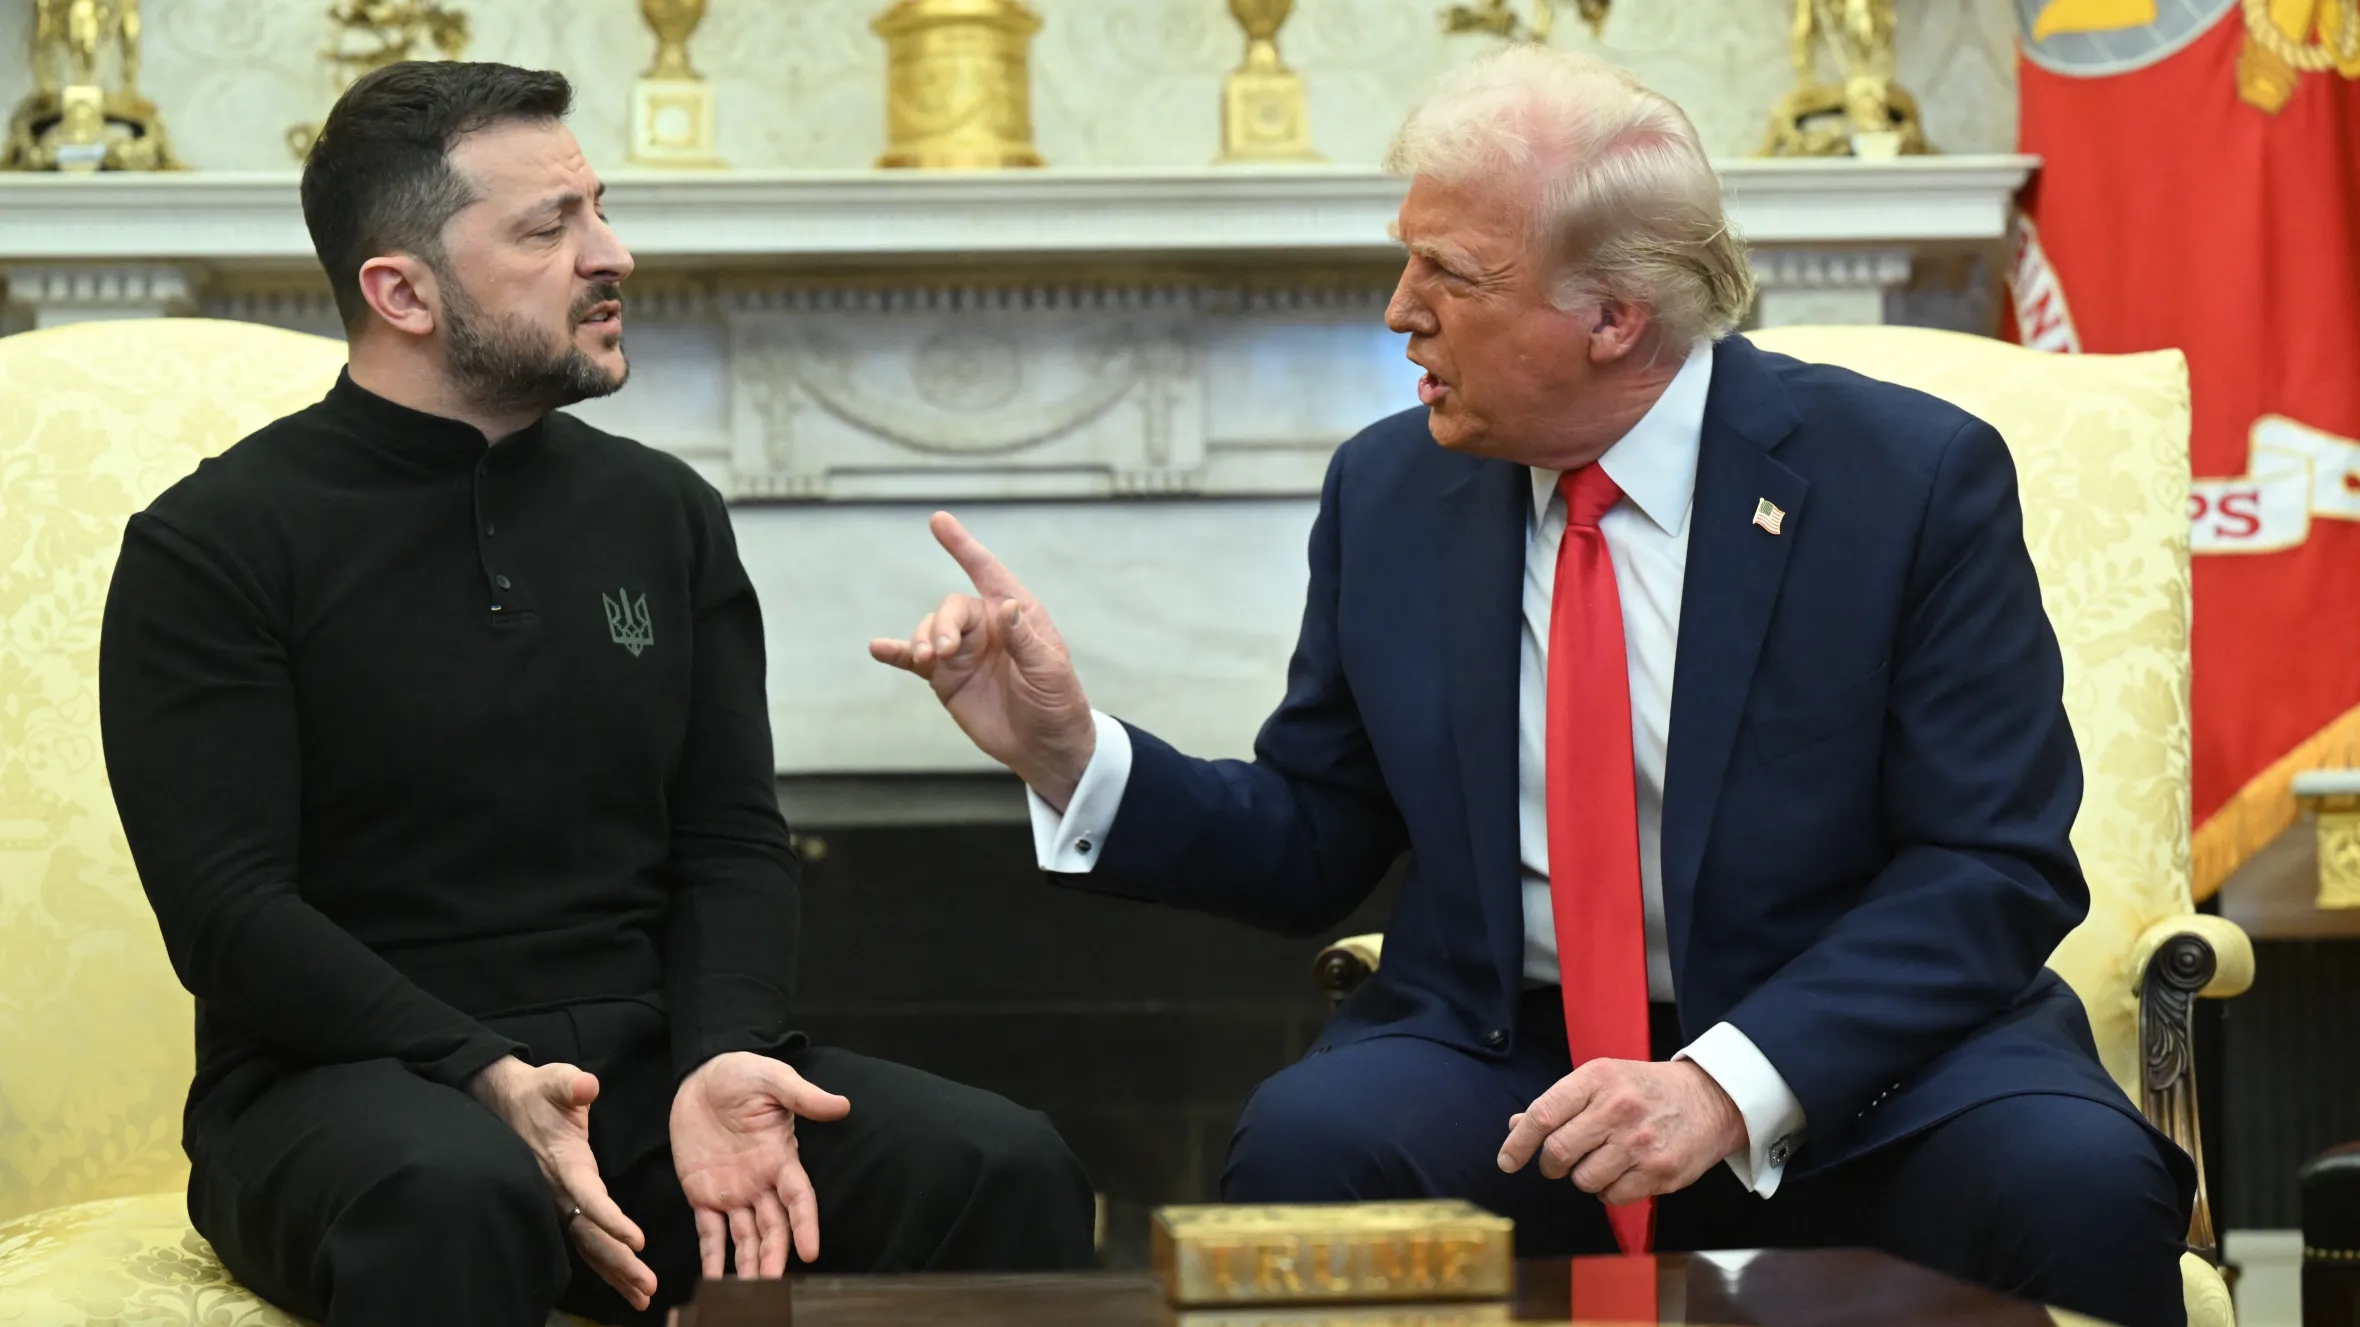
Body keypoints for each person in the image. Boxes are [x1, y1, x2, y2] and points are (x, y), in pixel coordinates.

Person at [871, 45, 2194, 1327]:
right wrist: (1070, 754)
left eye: (1449, 272)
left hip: (1871, 1058)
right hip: (1515, 1049)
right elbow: (1317, 832)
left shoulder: (1907, 481)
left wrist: (1725, 1083)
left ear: (1613, 316)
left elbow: (1990, 865)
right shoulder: (1392, 490)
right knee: (1312, 1144)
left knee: (2073, 1182)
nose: (1400, 308)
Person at [99, 61, 1094, 1327]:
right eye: (547, 227)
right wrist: (482, 1072)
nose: (610, 253)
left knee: (998, 1167)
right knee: (453, 1193)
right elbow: (233, 916)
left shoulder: (663, 514)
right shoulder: (213, 542)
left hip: (644, 1072)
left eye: (598, 209)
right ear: (399, 291)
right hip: (346, 1086)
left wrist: (723, 1051)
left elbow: (730, 839)